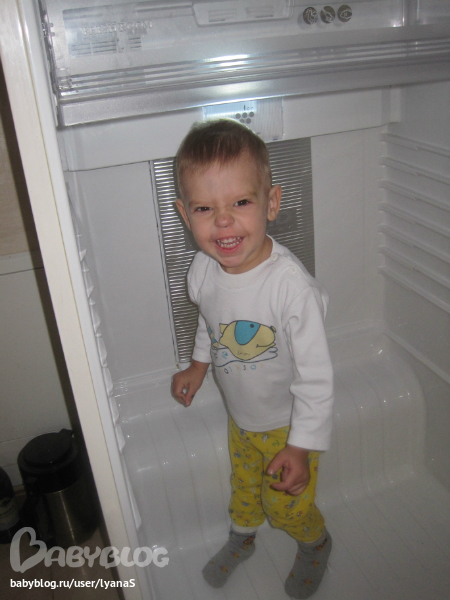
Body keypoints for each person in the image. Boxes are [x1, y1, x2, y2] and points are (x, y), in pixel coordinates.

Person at [171, 118, 334, 599]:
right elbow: (212, 321)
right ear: (185, 215)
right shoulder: (204, 268)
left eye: (240, 202)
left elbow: (317, 379)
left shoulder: (291, 289)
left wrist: (301, 447)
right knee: (243, 488)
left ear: (272, 203)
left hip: (287, 425)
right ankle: (243, 538)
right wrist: (199, 364)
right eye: (205, 208)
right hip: (241, 419)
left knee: (285, 505)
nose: (223, 221)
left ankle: (315, 542)